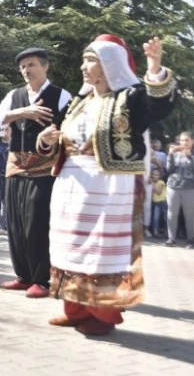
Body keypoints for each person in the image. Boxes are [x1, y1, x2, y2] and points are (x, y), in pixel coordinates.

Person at [37, 34, 176, 335]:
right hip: (71, 185)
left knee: (102, 249)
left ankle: (102, 316)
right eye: (85, 60)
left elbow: (158, 106)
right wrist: (47, 140)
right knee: (70, 246)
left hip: (110, 186)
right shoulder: (78, 102)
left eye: (91, 60)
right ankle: (74, 309)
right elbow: (62, 138)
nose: (83, 66)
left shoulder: (130, 97)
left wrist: (154, 68)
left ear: (108, 64)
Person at [0, 47, 71, 299]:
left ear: (46, 67)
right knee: (16, 223)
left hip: (44, 168)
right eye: (23, 66)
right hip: (14, 167)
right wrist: (22, 112)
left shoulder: (61, 95)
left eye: (32, 65)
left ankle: (41, 279)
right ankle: (23, 276)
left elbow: (71, 126)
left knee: (37, 222)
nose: (26, 70)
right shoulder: (15, 95)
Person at [165, 131, 194, 248]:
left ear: (193, 141)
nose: (184, 143)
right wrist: (170, 155)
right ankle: (171, 238)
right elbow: (168, 169)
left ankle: (190, 239)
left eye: (187, 140)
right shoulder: (175, 153)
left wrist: (189, 157)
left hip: (190, 188)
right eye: (182, 140)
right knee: (172, 214)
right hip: (173, 186)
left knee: (189, 215)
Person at [151, 168, 167, 237]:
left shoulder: (161, 182)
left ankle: (166, 231)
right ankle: (155, 231)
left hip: (163, 203)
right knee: (156, 218)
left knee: (165, 218)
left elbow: (158, 192)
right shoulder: (153, 183)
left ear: (160, 176)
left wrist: (153, 184)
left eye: (157, 175)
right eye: (153, 174)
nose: (155, 176)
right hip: (156, 203)